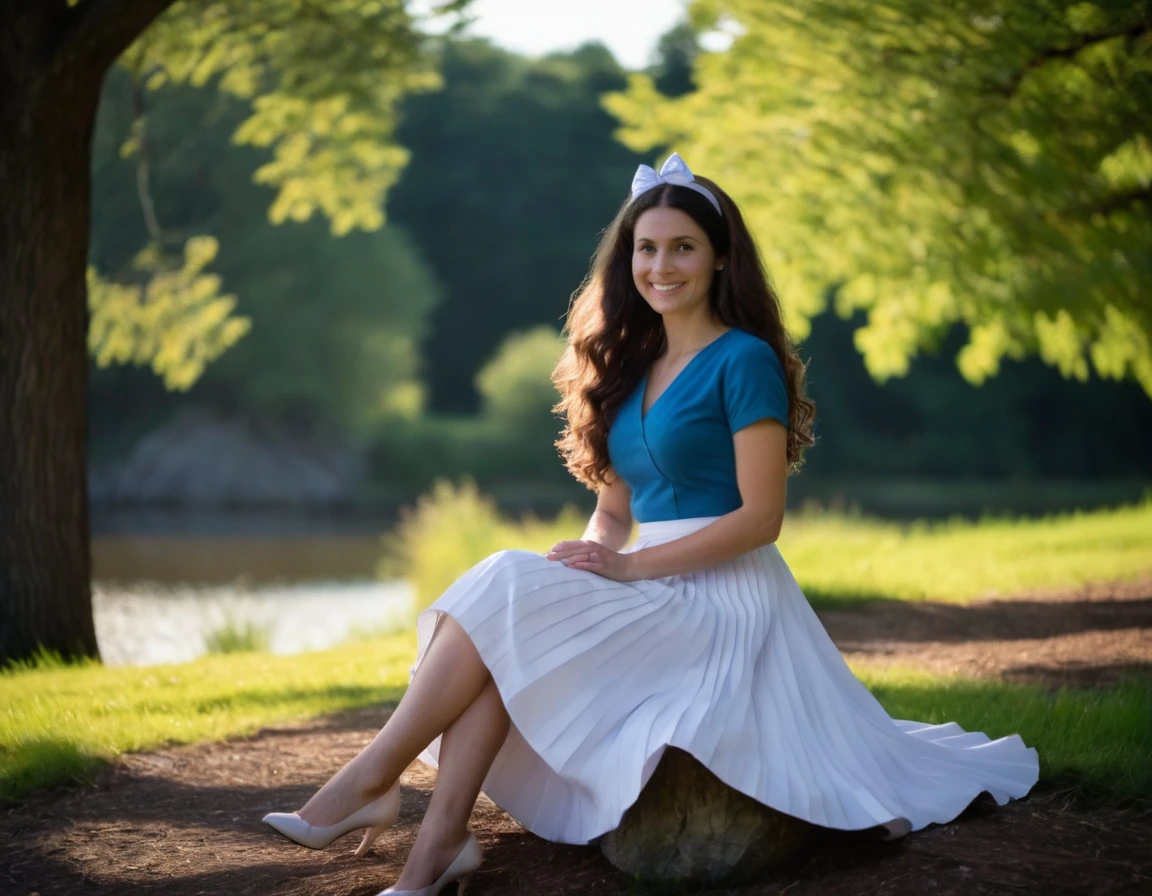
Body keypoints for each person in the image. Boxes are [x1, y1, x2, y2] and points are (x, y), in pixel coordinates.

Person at [262, 153, 1040, 896]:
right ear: (626, 259)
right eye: (646, 248)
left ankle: (371, 782)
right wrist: (588, 563)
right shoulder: (629, 364)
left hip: (726, 597)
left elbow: (761, 519)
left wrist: (628, 569)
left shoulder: (745, 361)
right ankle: (434, 850)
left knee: (503, 588)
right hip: (650, 583)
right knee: (514, 610)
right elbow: (611, 513)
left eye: (683, 248)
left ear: (721, 258)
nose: (661, 266)